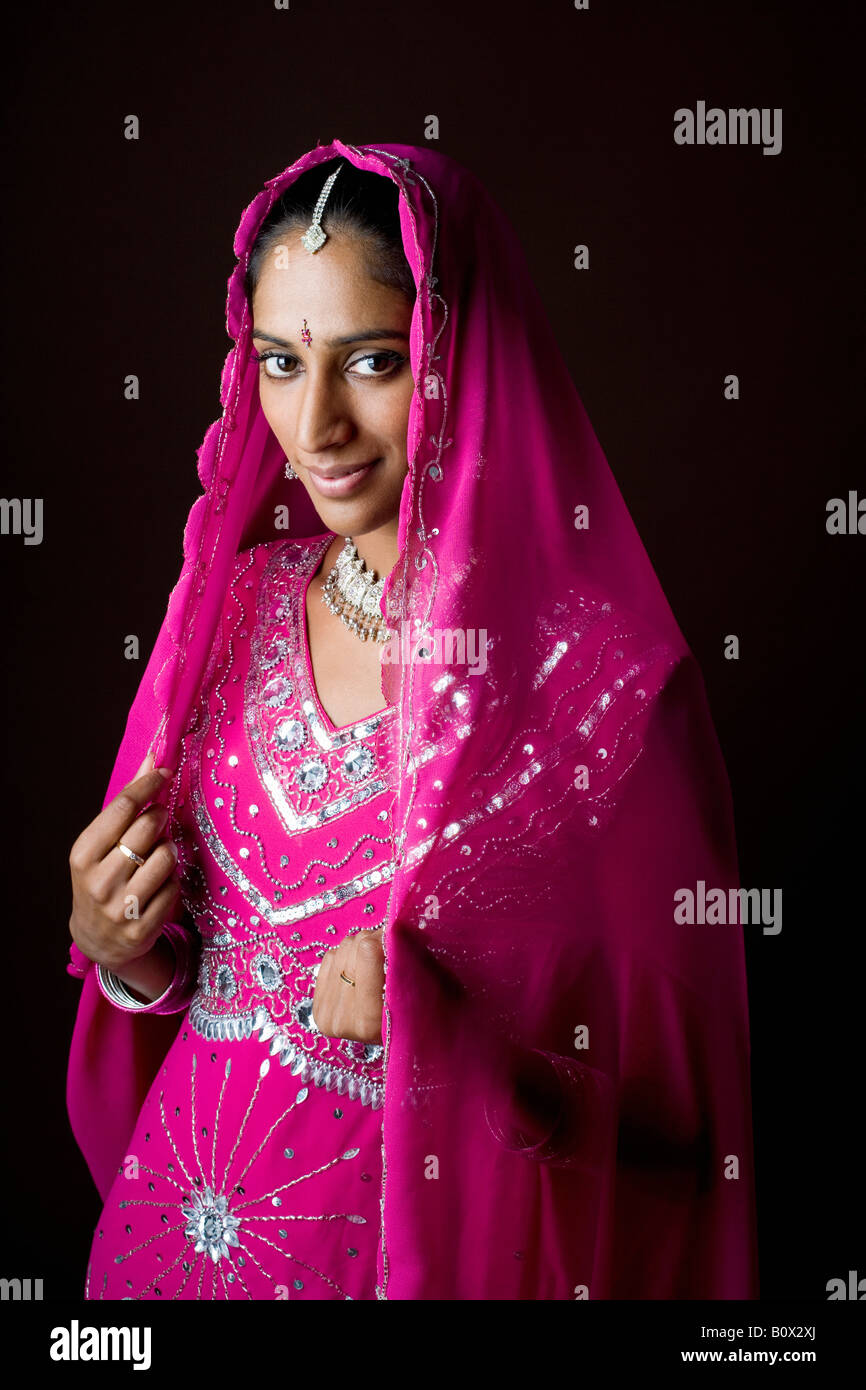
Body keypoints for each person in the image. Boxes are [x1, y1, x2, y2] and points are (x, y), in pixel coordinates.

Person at [66, 139, 759, 1301]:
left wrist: (464, 1054)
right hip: (159, 1254)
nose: (316, 422)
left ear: (460, 358)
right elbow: (207, 974)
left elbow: (690, 1150)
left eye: (372, 360)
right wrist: (122, 955)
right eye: (279, 361)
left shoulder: (602, 689)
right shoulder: (233, 604)